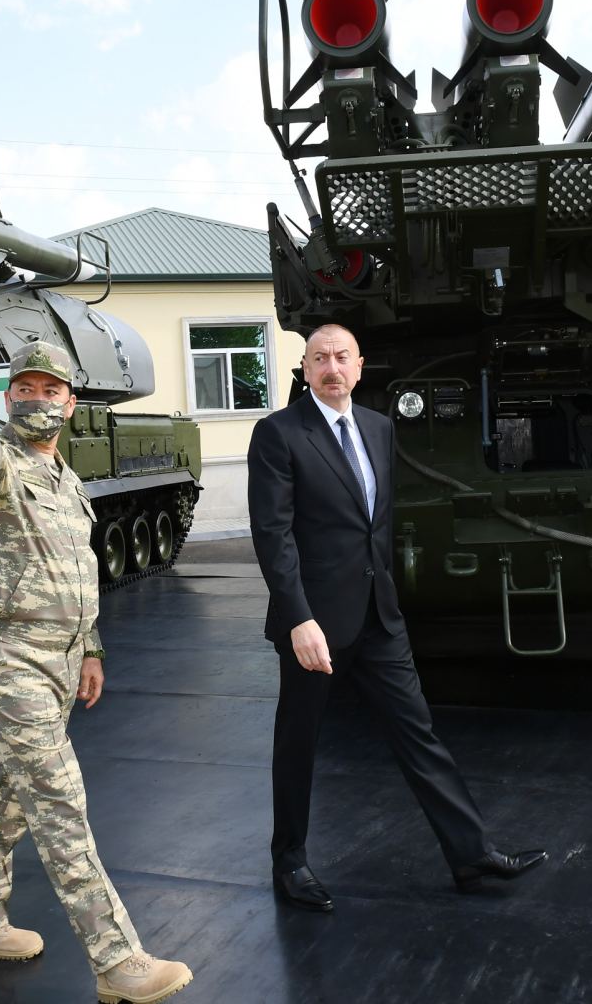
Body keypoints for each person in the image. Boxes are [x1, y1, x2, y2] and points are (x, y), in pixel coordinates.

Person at [247, 323, 547, 913]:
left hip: (379, 616)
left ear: (360, 366)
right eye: (319, 358)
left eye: (341, 357)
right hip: (315, 625)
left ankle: (471, 854)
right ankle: (290, 863)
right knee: (298, 744)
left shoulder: (380, 429)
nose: (331, 367)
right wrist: (297, 618)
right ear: (305, 369)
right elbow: (272, 535)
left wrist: (386, 595)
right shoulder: (278, 433)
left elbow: (374, 525)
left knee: (420, 735)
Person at [0, 341, 193, 1004]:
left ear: (70, 403)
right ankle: (116, 959)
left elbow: (77, 573)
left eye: (50, 390)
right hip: (8, 658)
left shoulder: (67, 480)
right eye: (24, 389)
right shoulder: (0, 466)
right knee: (58, 801)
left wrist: (90, 649)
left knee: (8, 798)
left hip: (60, 659)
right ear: (7, 399)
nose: (37, 399)